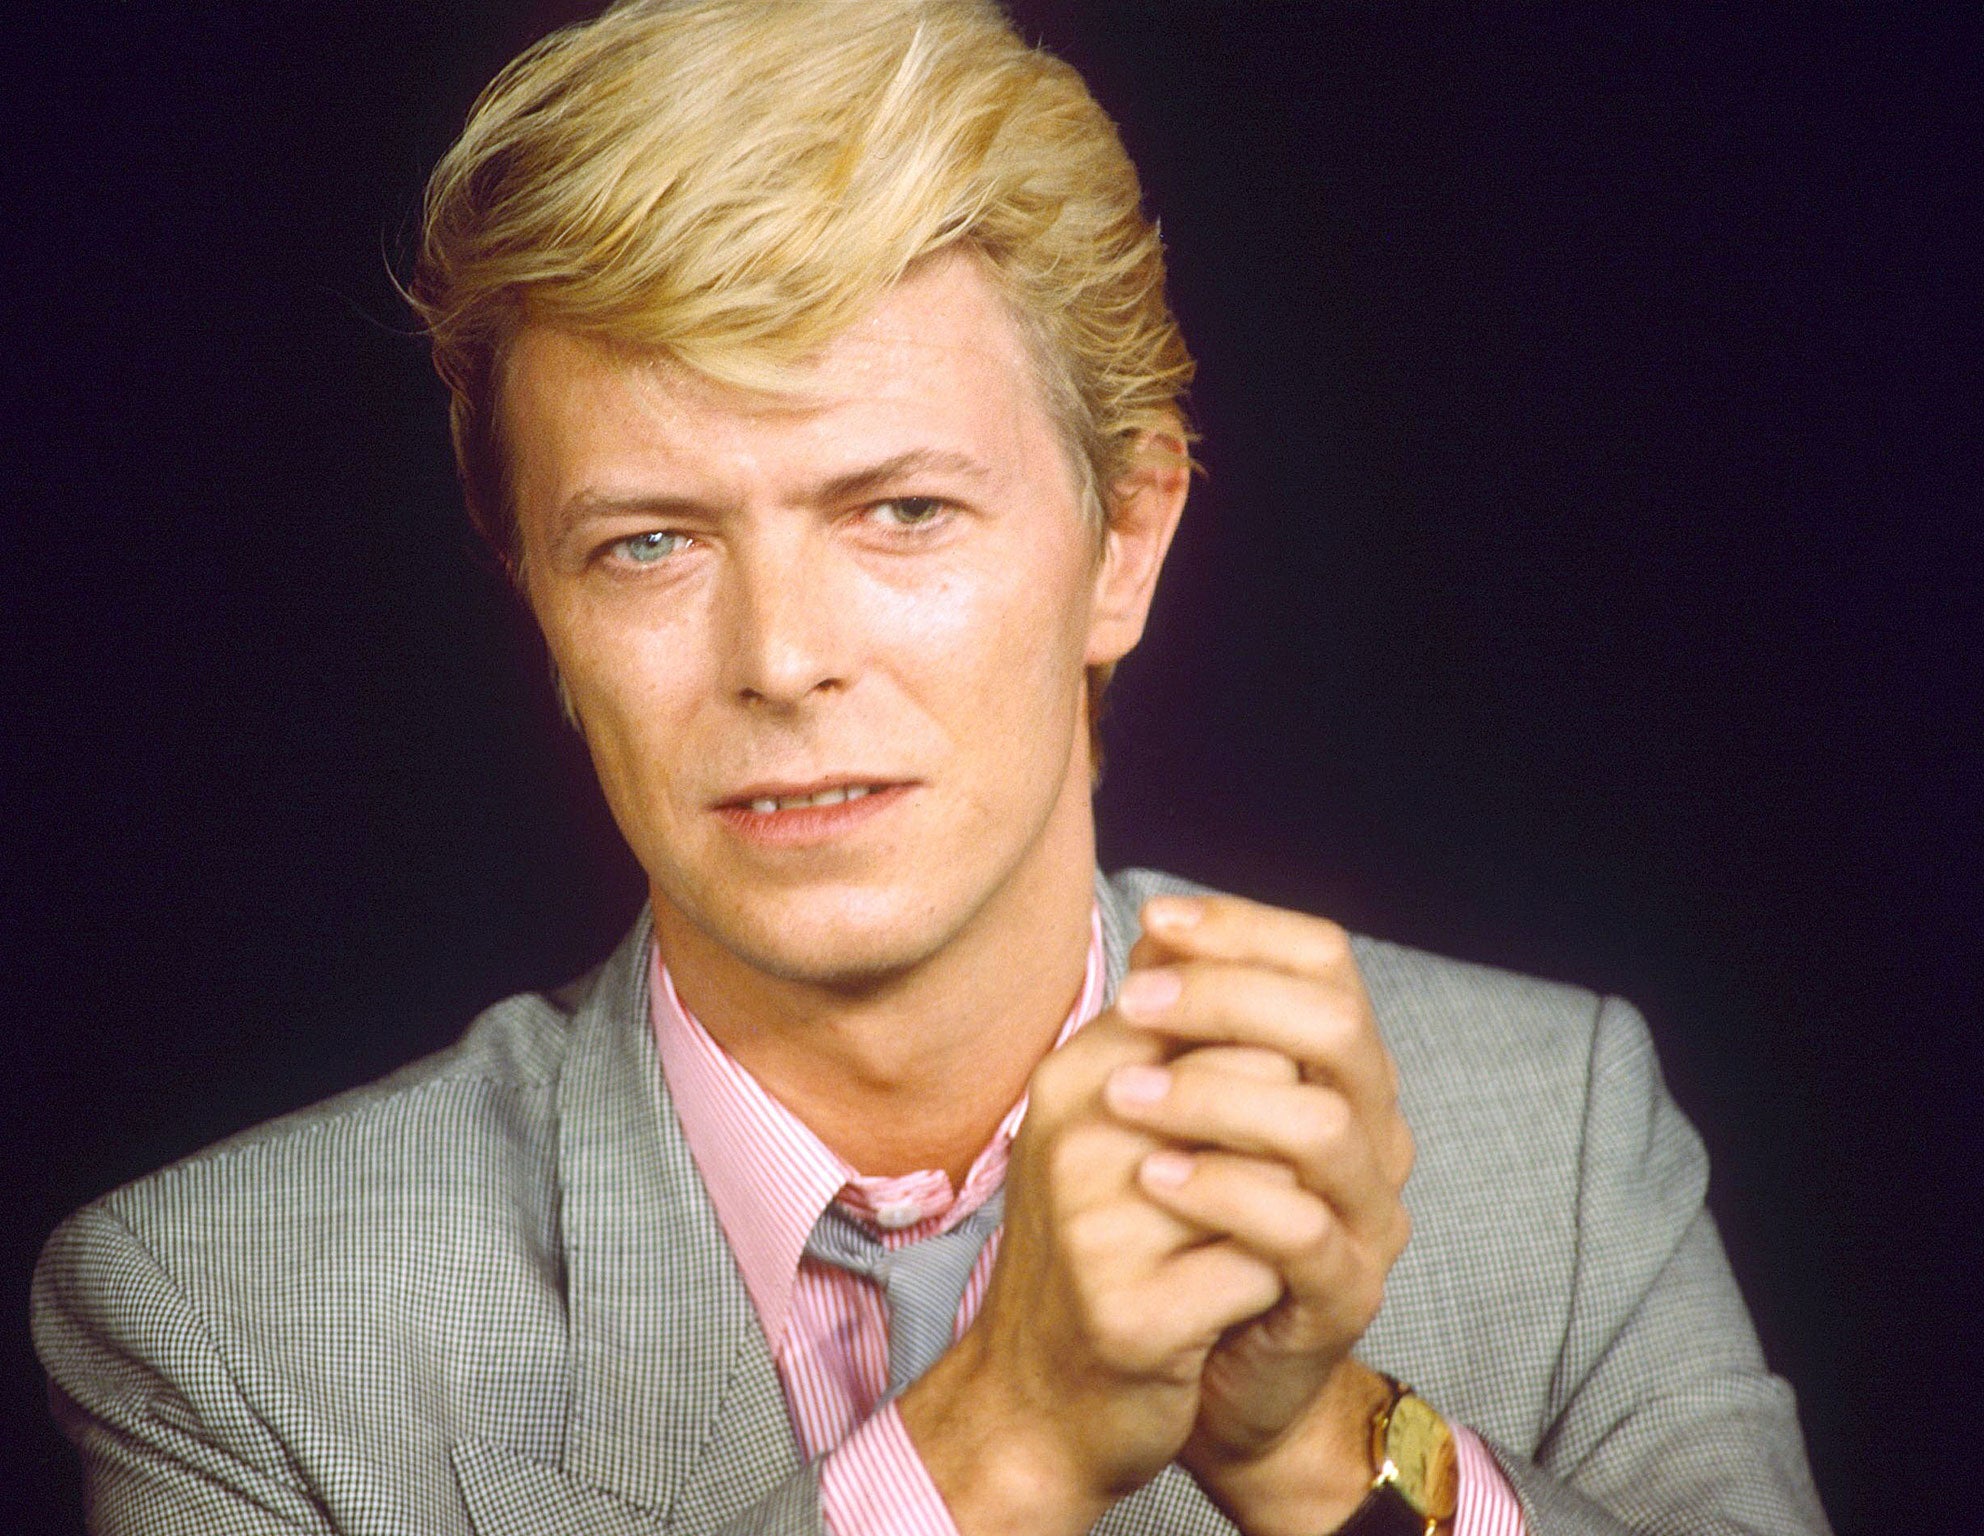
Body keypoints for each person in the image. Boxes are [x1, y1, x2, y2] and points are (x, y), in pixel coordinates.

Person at [32, 3, 1832, 1533]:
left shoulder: (1558, 1128)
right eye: (649, 544)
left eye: (901, 511)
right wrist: (1002, 1439)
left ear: (1123, 543)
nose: (782, 657)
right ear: (546, 615)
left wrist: (1308, 1445)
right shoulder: (225, 1314)